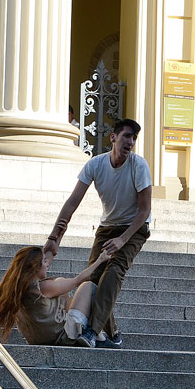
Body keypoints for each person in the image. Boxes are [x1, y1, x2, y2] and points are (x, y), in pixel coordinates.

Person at [44, 118, 152, 348]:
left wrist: (123, 240)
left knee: (113, 273)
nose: (130, 142)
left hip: (134, 228)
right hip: (107, 228)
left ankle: (92, 331)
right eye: (126, 136)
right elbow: (72, 202)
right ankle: (113, 334)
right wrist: (55, 237)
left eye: (134, 138)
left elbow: (145, 210)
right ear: (113, 137)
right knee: (94, 279)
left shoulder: (139, 166)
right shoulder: (95, 165)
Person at [0, 246, 112, 347]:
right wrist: (100, 260)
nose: (47, 264)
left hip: (39, 338)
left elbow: (44, 263)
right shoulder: (43, 288)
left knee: (61, 283)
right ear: (35, 267)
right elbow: (78, 280)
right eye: (44, 261)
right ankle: (96, 335)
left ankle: (96, 333)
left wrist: (54, 241)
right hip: (61, 337)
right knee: (87, 286)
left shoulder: (20, 288)